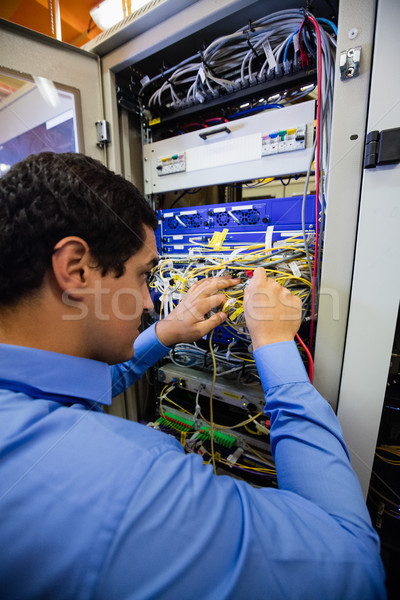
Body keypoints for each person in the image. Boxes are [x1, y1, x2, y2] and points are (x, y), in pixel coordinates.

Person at [0, 152, 386, 600]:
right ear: (76, 268)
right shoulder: (133, 484)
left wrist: (164, 333)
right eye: (144, 276)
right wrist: (276, 349)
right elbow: (355, 567)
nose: (148, 302)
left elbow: (70, 393)